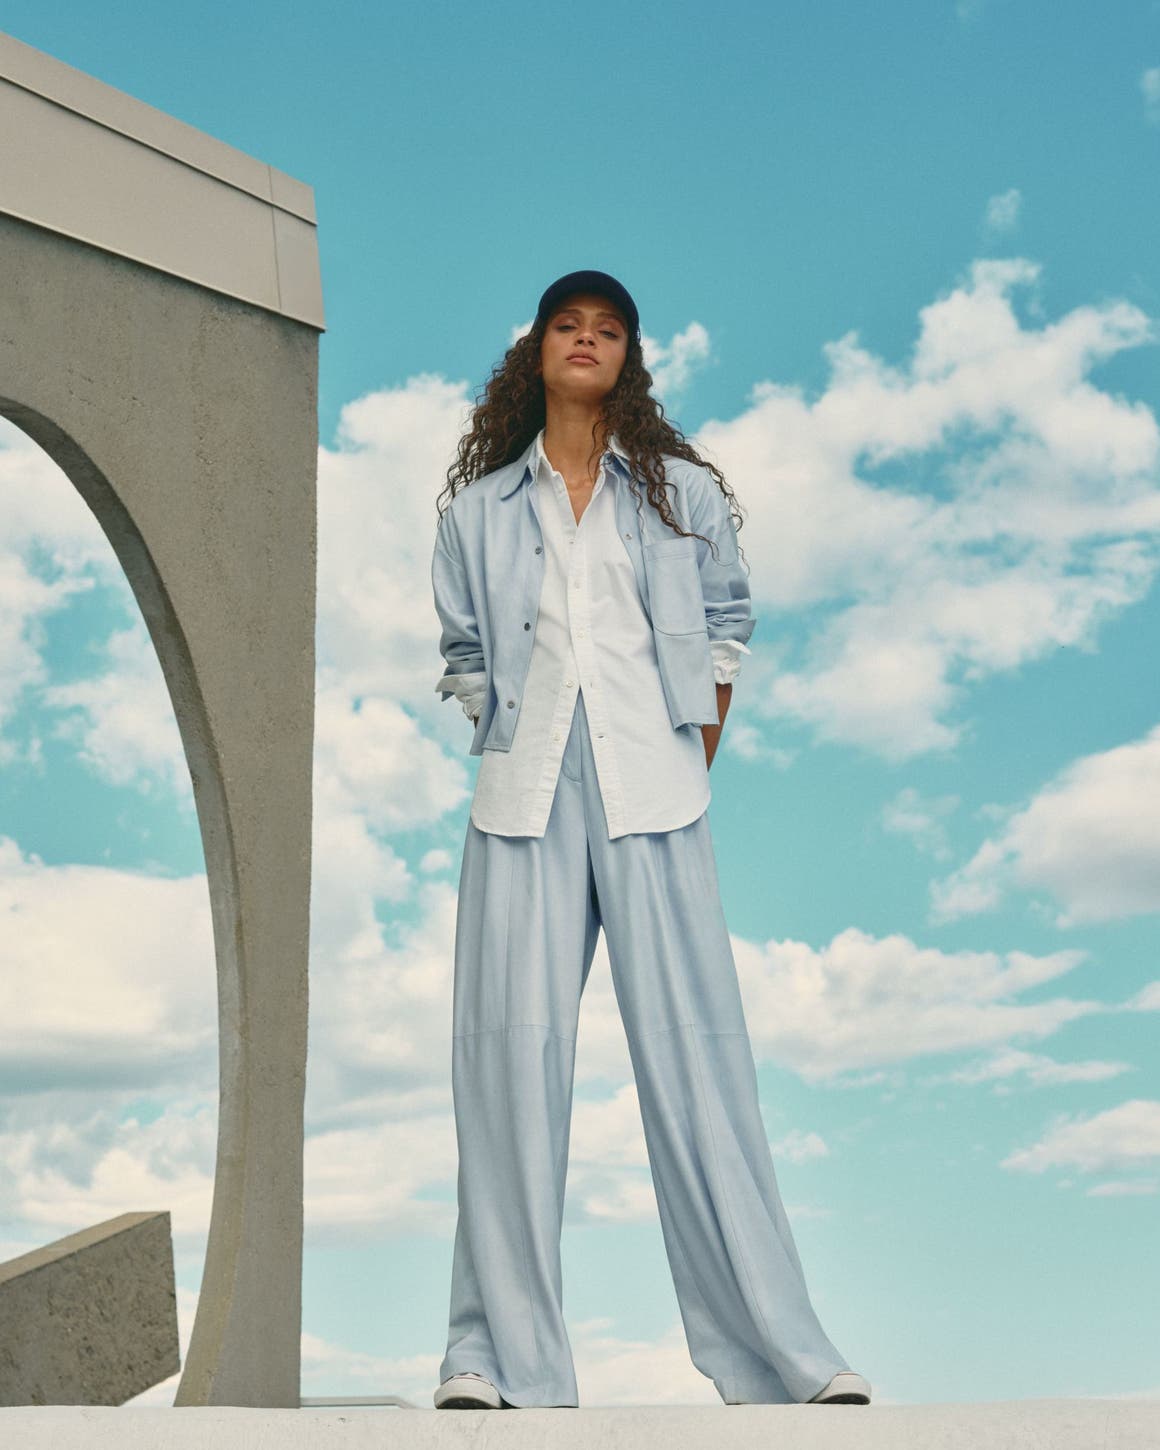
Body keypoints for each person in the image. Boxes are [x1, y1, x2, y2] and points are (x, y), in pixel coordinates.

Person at [429, 269, 870, 1411]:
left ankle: (783, 1356)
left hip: (655, 787)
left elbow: (726, 625)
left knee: (699, 1061)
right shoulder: (475, 510)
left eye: (606, 329)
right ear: (536, 352)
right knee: (506, 1066)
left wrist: (692, 751)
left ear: (628, 356)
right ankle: (490, 1358)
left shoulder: (677, 491)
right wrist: (506, 731)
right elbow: (464, 650)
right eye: (567, 327)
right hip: (520, 796)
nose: (586, 342)